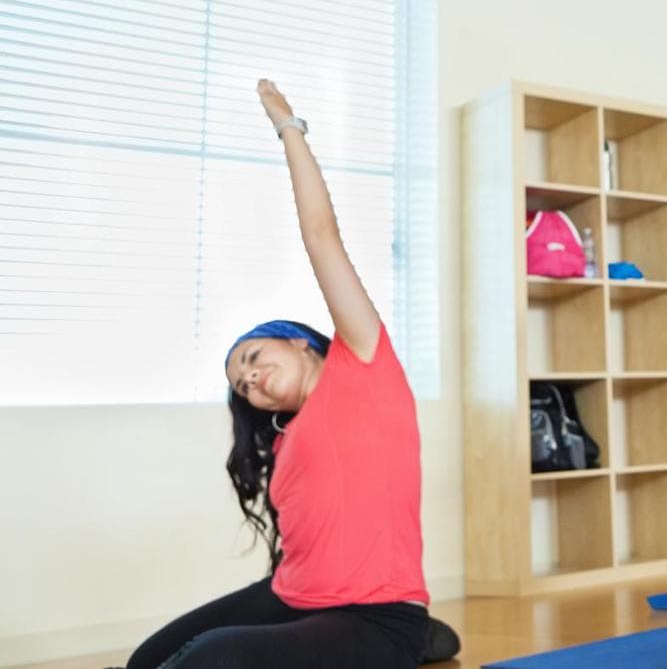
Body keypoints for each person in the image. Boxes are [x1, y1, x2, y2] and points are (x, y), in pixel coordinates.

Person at [122, 81, 457, 669]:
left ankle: (419, 635)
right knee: (150, 659)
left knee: (209, 660)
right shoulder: (287, 433)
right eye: (241, 384)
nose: (250, 381)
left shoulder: (364, 365)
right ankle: (434, 639)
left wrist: (289, 128)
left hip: (373, 615)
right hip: (291, 597)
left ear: (300, 342)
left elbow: (320, 236)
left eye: (253, 358)